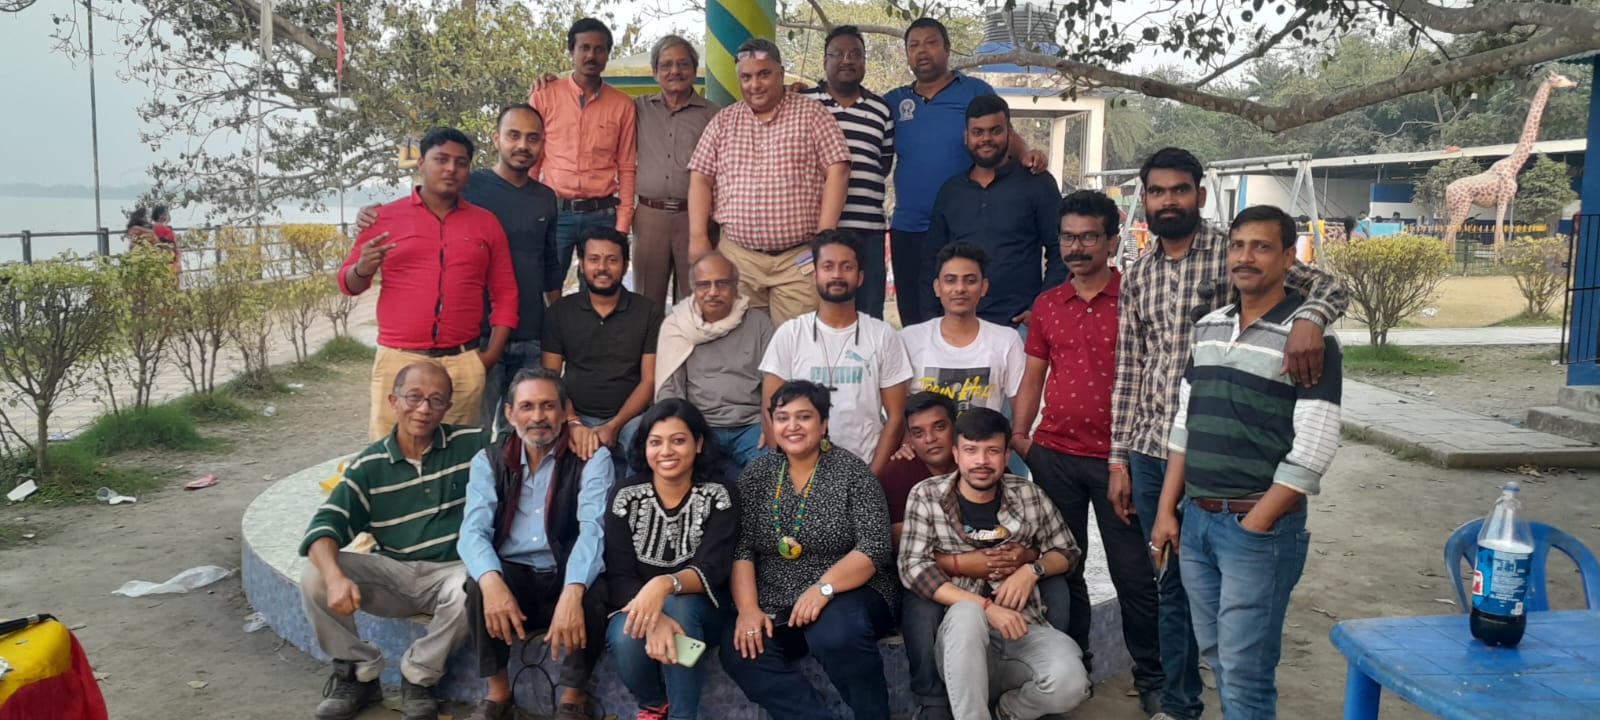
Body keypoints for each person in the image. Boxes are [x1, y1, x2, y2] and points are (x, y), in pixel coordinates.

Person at [1109, 147, 1347, 720]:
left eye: (1179, 189)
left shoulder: (1235, 249)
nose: (1168, 200)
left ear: (1199, 194)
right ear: (1145, 199)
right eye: (1157, 191)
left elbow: (1330, 289)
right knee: (1172, 587)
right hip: (1159, 451)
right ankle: (1180, 704)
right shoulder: (1138, 274)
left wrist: (1311, 319)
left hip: (1241, 471)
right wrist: (1119, 457)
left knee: (1240, 647)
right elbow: (1130, 366)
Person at [1012, 189, 1164, 714]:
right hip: (1054, 456)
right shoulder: (1048, 304)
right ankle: (1075, 666)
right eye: (1068, 238)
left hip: (1119, 462)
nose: (1076, 248)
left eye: (1088, 237)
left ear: (1112, 241)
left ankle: (1152, 674)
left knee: (1133, 574)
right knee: (1063, 568)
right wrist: (1021, 437)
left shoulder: (1134, 298)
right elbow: (1033, 377)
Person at [298, 362, 489, 720]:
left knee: (476, 585)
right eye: (413, 397)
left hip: (452, 572)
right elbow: (323, 528)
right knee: (315, 576)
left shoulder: (472, 445)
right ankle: (358, 673)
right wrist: (336, 578)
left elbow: (526, 434)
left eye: (436, 400)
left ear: (448, 407)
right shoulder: (369, 465)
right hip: (393, 574)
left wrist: (572, 424)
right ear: (393, 401)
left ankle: (417, 678)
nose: (424, 409)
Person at [354, 107, 557, 429]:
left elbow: (546, 266)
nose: (522, 145)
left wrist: (553, 326)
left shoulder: (543, 198)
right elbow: (421, 209)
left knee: (509, 438)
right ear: (497, 139)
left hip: (521, 335)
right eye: (514, 135)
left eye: (532, 138)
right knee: (431, 438)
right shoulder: (467, 185)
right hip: (469, 338)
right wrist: (367, 233)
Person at [888, 393, 1076, 720]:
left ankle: (1007, 711)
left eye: (992, 451)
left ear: (1006, 456)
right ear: (957, 454)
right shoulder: (927, 495)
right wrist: (987, 607)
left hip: (1022, 627)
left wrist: (1031, 569)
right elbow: (913, 567)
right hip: (959, 638)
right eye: (971, 451)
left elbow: (1068, 551)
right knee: (966, 614)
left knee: (1071, 684)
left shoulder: (1028, 494)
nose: (981, 461)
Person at [721, 380, 898, 720]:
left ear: (823, 423)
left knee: (835, 632)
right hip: (777, 599)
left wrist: (823, 588)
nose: (792, 426)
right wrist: (748, 609)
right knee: (741, 649)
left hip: (850, 591)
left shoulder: (852, 473)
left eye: (804, 417)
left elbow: (874, 546)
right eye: (782, 418)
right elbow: (741, 548)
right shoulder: (757, 475)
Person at [339, 126, 518, 440]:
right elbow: (348, 284)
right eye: (441, 159)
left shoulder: (485, 223)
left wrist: (489, 356)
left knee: (457, 455)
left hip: (463, 362)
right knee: (391, 453)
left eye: (460, 162)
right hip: (398, 360)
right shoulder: (383, 219)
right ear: (421, 163)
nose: (451, 169)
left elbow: (505, 293)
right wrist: (362, 268)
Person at [457, 368, 616, 720]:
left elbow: (593, 530)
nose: (538, 417)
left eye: (548, 406)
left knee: (592, 590)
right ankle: (498, 695)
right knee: (479, 584)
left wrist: (572, 592)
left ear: (564, 411)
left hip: (562, 570)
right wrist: (491, 580)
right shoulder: (489, 460)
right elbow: (472, 531)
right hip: (515, 577)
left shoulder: (592, 458)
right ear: (510, 413)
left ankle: (573, 698)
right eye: (527, 406)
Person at [883, 17, 1045, 326]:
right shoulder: (893, 101)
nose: (922, 51)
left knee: (966, 312)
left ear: (947, 49)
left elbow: (1003, 132)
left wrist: (1028, 156)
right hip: (909, 228)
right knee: (916, 319)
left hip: (963, 226)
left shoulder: (974, 90)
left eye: (931, 43)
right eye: (914, 45)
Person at [687, 37, 851, 325]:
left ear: (781, 73)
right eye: (746, 77)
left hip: (797, 260)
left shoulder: (812, 114)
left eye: (764, 74)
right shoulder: (724, 121)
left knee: (796, 342)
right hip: (739, 258)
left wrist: (825, 236)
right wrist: (698, 236)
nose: (755, 85)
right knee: (740, 340)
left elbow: (838, 169)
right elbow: (701, 177)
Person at [603, 399, 741, 720]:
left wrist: (665, 584)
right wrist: (655, 617)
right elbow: (619, 574)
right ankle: (655, 705)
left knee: (679, 606)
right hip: (637, 604)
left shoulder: (720, 493)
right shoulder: (624, 495)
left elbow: (713, 568)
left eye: (678, 440)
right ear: (644, 447)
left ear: (699, 443)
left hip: (704, 608)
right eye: (656, 442)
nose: (666, 451)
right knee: (625, 637)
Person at [759, 230, 911, 474]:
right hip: (803, 473)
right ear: (815, 275)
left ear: (860, 277)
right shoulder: (790, 334)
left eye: (846, 267)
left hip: (864, 467)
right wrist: (793, 473)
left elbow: (895, 418)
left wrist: (870, 478)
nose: (837, 275)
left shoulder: (883, 335)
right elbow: (770, 409)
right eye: (828, 267)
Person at [926, 95, 1066, 328]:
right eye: (977, 132)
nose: (986, 139)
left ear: (1010, 134)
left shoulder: (1037, 184)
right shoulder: (951, 191)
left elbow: (1060, 250)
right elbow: (932, 260)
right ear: (966, 137)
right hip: (960, 325)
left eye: (995, 131)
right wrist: (933, 319)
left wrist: (1041, 308)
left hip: (1020, 325)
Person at [529, 17, 638, 293]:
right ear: (571, 52)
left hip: (602, 214)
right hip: (555, 212)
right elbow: (532, 158)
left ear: (607, 55)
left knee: (598, 291)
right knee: (546, 286)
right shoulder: (545, 95)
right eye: (584, 48)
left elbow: (627, 166)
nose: (591, 55)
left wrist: (622, 223)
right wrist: (527, 209)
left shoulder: (622, 105)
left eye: (599, 49)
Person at [542, 228, 663, 476]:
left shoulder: (647, 312)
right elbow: (550, 379)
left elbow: (649, 380)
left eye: (612, 260)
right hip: (574, 415)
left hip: (630, 419)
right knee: (546, 447)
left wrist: (614, 425)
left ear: (625, 265)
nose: (602, 268)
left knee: (650, 449)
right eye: (594, 259)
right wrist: (573, 422)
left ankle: (629, 500)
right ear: (582, 264)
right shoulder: (560, 312)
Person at [795, 25, 894, 319]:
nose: (846, 60)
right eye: (838, 54)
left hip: (868, 232)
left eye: (855, 54)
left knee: (868, 313)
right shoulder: (802, 103)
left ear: (864, 60)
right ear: (824, 60)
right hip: (813, 232)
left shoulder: (881, 110)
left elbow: (882, 164)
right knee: (811, 311)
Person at [656, 252, 775, 479]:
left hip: (750, 426)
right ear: (693, 288)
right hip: (699, 426)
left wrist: (771, 424)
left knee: (772, 472)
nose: (713, 292)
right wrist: (682, 433)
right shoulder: (677, 326)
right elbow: (669, 390)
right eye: (704, 285)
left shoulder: (759, 324)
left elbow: (773, 382)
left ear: (735, 286)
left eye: (722, 283)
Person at [631, 35, 721, 306]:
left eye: (683, 64)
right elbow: (600, 100)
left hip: (696, 221)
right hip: (650, 218)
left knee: (698, 301)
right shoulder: (637, 109)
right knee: (646, 304)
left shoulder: (714, 115)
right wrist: (551, 83)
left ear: (694, 69)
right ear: (654, 72)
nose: (675, 71)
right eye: (666, 65)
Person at [899, 241, 1025, 414]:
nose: (960, 288)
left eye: (970, 281)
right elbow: (897, 410)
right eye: (950, 280)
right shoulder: (910, 339)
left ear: (984, 287)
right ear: (937, 287)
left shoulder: (1006, 340)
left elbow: (1022, 410)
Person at [150, 205, 181, 276]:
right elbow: (163, 241)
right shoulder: (158, 227)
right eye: (165, 213)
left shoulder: (161, 226)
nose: (167, 215)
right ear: (160, 215)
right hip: (168, 257)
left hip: (170, 256)